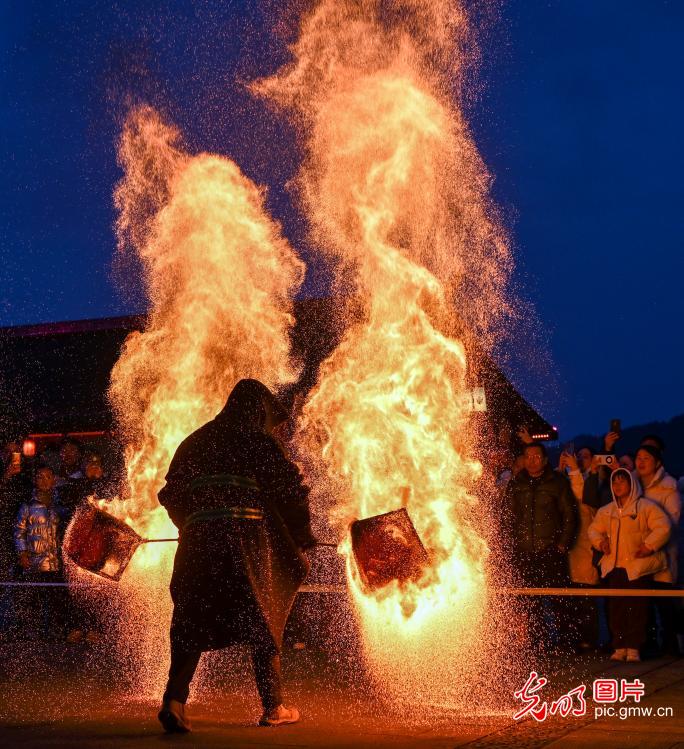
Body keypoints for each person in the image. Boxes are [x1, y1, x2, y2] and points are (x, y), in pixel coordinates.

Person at [157, 379, 315, 733]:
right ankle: (274, 706)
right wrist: (302, 539)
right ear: (258, 411)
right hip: (246, 545)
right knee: (263, 614)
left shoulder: (193, 443)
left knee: (189, 620)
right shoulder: (258, 442)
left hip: (196, 548)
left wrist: (192, 526)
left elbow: (170, 494)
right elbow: (291, 492)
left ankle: (174, 701)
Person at [588, 468, 671, 662]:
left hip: (637, 567)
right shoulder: (606, 510)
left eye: (622, 482)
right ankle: (619, 645)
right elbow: (593, 530)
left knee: (637, 607)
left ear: (632, 484)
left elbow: (664, 526)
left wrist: (649, 546)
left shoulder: (645, 507)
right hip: (614, 567)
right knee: (616, 608)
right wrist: (601, 543)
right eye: (614, 482)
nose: (617, 486)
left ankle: (634, 647)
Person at [504, 442, 577, 651]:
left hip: (551, 550)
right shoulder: (517, 483)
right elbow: (508, 516)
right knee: (529, 600)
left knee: (558, 598)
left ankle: (565, 642)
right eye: (528, 456)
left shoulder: (558, 482)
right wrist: (511, 545)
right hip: (524, 551)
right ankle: (535, 642)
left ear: (545, 460)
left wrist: (562, 544)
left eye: (536, 456)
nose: (532, 460)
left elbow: (569, 515)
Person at [634, 444, 681, 655]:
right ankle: (649, 642)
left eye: (646, 458)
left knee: (664, 601)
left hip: (661, 551)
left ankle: (670, 643)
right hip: (637, 552)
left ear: (658, 463)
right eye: (638, 458)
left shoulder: (668, 487)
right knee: (644, 601)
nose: (641, 462)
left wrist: (651, 542)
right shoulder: (633, 485)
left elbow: (673, 519)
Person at [13, 465, 62, 639]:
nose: (43, 480)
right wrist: (22, 553)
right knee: (34, 598)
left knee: (56, 598)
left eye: (47, 477)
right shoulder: (28, 506)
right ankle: (31, 631)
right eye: (40, 477)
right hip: (35, 560)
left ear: (54, 480)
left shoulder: (59, 504)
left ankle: (56, 631)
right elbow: (19, 532)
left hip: (56, 561)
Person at [558, 450, 599, 649]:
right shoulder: (567, 480)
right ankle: (570, 639)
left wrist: (573, 469)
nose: (580, 459)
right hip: (569, 548)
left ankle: (588, 640)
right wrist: (561, 468)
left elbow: (583, 498)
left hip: (585, 546)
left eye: (585, 456)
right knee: (570, 598)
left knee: (586, 598)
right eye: (578, 456)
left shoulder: (592, 482)